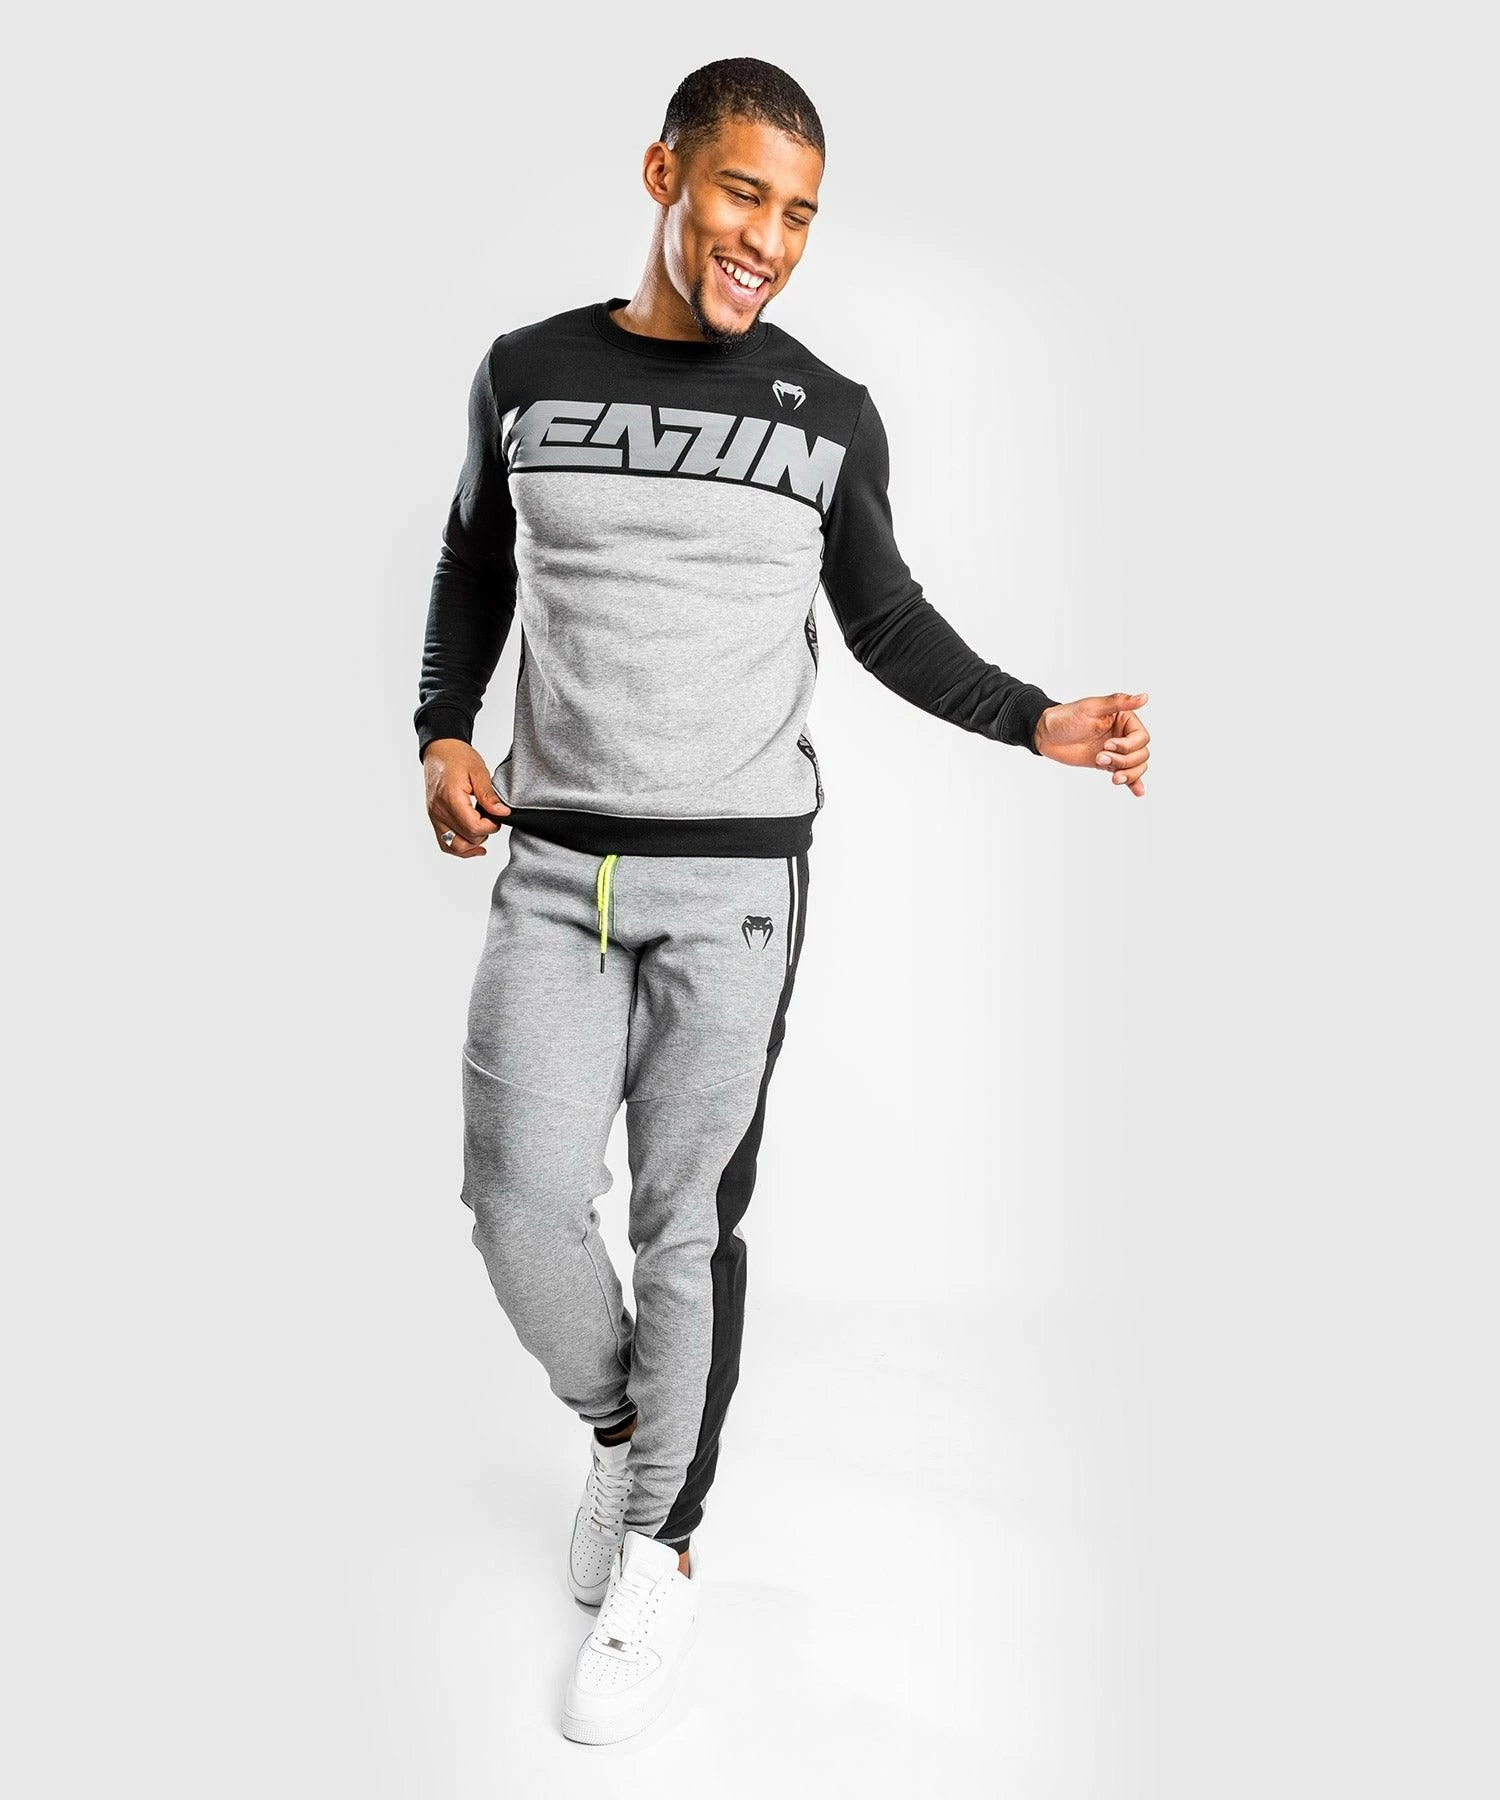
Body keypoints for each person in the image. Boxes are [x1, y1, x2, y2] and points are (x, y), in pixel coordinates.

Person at [414, 56, 1151, 1747]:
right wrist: (443, 729)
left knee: (684, 1227)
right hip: (552, 864)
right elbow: (471, 565)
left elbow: (886, 621)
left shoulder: (827, 412)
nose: (768, 238)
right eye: (743, 192)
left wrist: (1037, 719)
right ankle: (629, 1439)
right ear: (665, 174)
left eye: (801, 213)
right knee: (516, 1199)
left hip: (739, 880)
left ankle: (663, 1543)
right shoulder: (527, 371)